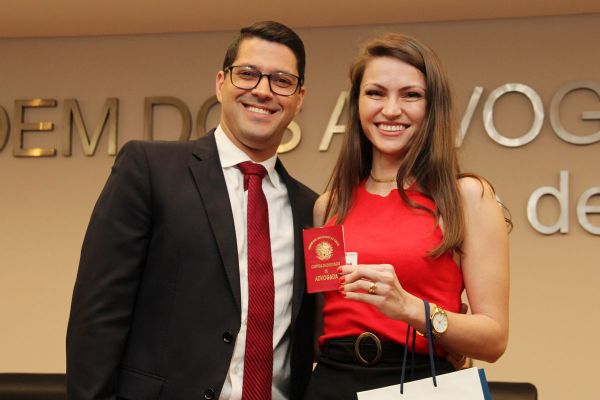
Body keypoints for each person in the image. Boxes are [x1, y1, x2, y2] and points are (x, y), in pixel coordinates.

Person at [66, 21, 317, 400]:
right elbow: (98, 316)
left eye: (282, 81)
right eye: (247, 74)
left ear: (299, 99)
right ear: (221, 83)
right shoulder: (149, 169)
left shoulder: (311, 209)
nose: (263, 90)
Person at [305, 33, 510, 399]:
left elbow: (494, 340)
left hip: (419, 382)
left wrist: (412, 309)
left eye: (410, 95)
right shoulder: (329, 205)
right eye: (375, 93)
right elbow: (323, 326)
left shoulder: (466, 197)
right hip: (331, 383)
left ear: (433, 107)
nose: (391, 110)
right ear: (356, 104)